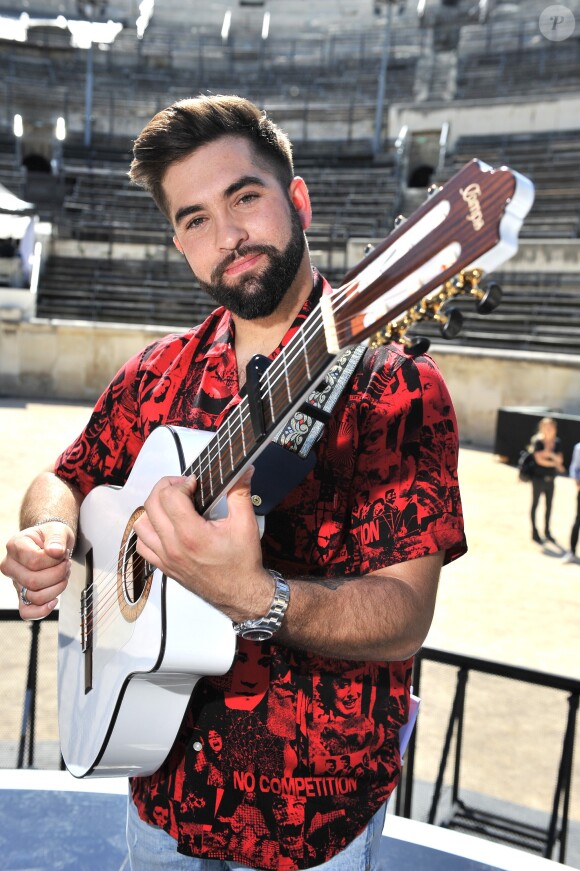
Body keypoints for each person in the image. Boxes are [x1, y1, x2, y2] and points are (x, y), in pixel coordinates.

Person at [0, 94, 467, 870]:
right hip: (160, 802)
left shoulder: (397, 388)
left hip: (314, 824)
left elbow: (403, 614)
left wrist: (255, 596)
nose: (228, 236)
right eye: (194, 219)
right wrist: (48, 528)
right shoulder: (154, 373)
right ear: (180, 243)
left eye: (245, 197)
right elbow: (65, 476)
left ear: (300, 201)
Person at [528, 416, 566, 544]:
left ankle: (547, 531)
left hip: (551, 479)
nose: (548, 430)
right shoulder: (537, 441)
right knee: (535, 504)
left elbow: (560, 460)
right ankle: (534, 531)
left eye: (550, 427)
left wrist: (548, 455)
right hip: (538, 478)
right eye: (546, 427)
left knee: (549, 506)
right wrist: (554, 461)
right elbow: (539, 459)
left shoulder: (557, 442)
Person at [562, 441, 580, 563]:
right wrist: (578, 482)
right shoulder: (579, 448)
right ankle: (572, 552)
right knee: (578, 520)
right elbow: (574, 467)